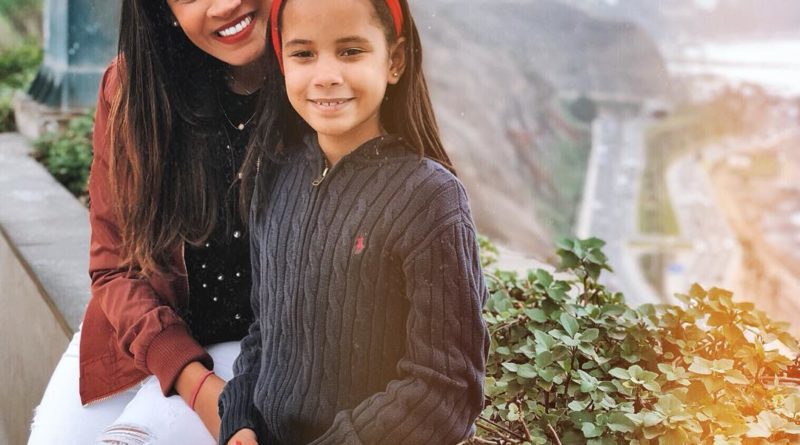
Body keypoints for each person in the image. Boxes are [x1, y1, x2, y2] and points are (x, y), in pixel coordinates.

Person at [219, 0, 490, 444]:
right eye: (304, 53)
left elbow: (445, 388)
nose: (326, 75)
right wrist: (240, 421)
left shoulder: (430, 199)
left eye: (350, 51)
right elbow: (265, 329)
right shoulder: (275, 174)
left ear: (395, 61)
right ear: (282, 63)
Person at [27, 0, 273, 443]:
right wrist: (194, 382)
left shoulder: (318, 78)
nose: (226, 5)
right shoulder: (133, 86)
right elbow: (114, 266)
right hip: (144, 332)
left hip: (259, 345)